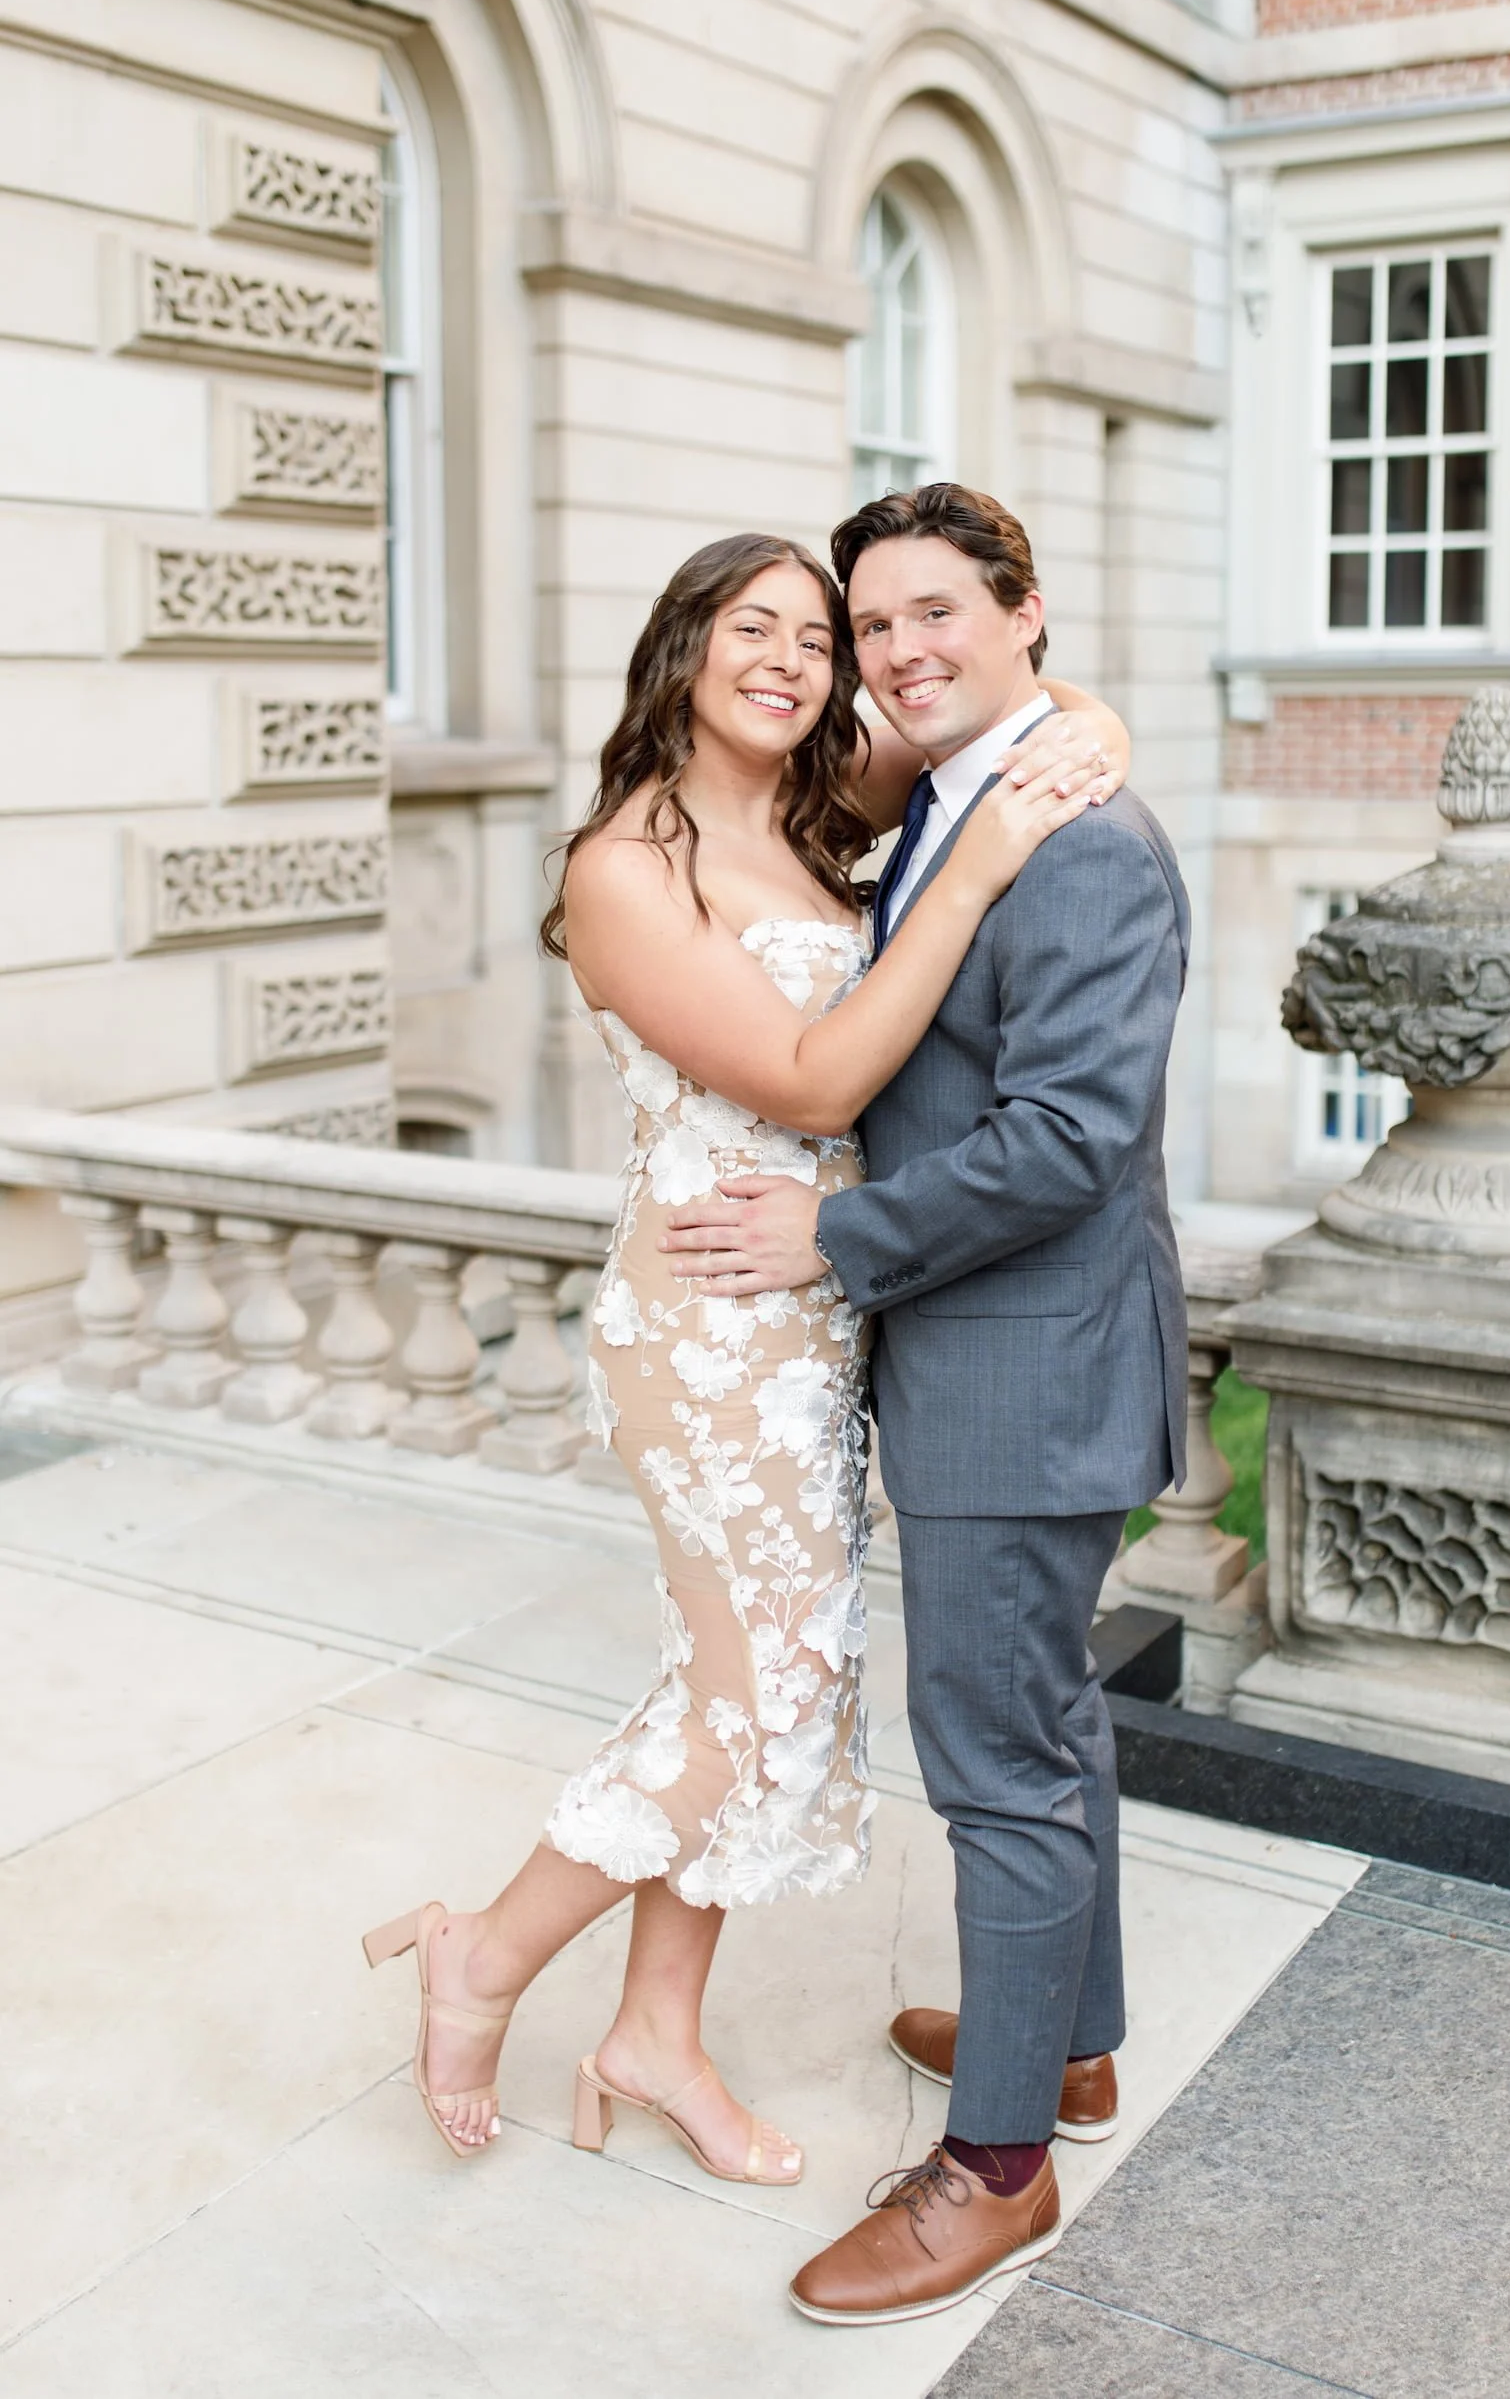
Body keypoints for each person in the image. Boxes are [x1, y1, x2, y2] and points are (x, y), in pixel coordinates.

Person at [363, 527, 1132, 2185]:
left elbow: (1013, 696)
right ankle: (485, 1953)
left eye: (817, 637)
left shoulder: (811, 801)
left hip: (818, 1313)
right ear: (682, 650)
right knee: (749, 1705)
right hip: (707, 1327)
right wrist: (984, 865)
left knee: (749, 1687)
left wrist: (1095, 740)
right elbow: (809, 1085)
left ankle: (653, 2034)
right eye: (753, 628)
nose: (793, 659)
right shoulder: (623, 864)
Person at [660, 484, 1190, 2322]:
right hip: (999, 1362)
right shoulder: (970, 793)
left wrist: (834, 1235)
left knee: (998, 1759)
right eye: (874, 626)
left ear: (1023, 612)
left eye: (933, 616)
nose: (896, 653)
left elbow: (1066, 1143)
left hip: (1021, 1374)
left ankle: (992, 2170)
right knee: (1042, 1725)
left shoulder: (1085, 841)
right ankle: (1066, 2045)